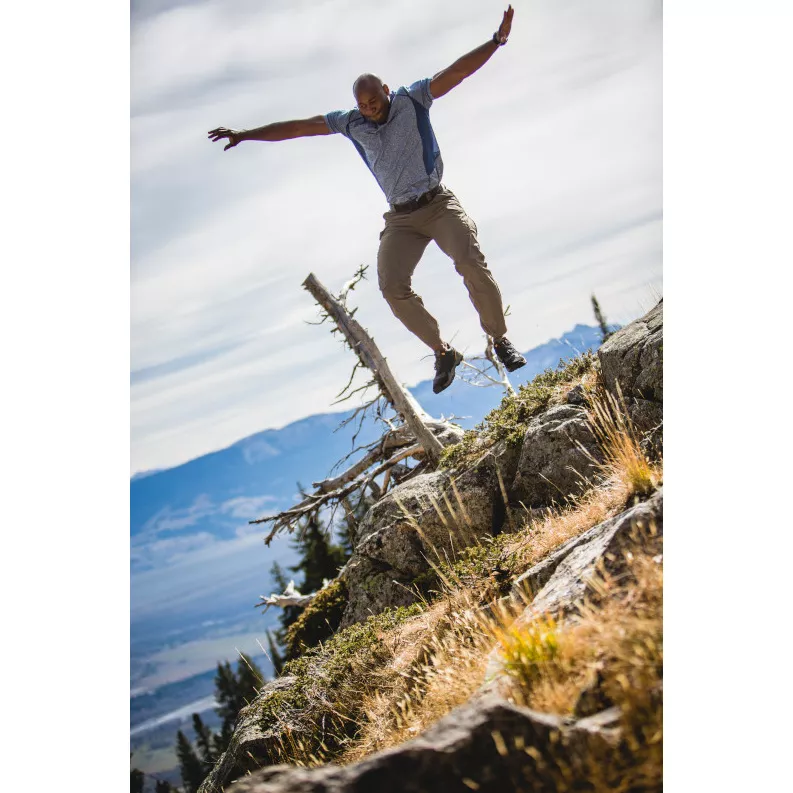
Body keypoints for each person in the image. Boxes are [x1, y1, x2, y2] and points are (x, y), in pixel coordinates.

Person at [209, 5, 526, 394]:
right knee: (392, 286)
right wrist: (246, 134)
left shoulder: (413, 98)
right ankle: (443, 353)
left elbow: (456, 72)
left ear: (386, 90)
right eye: (363, 105)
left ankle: (499, 339)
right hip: (401, 220)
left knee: (469, 261)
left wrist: (496, 41)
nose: (370, 109)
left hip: (438, 204)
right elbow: (298, 128)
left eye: (374, 101)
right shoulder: (350, 122)